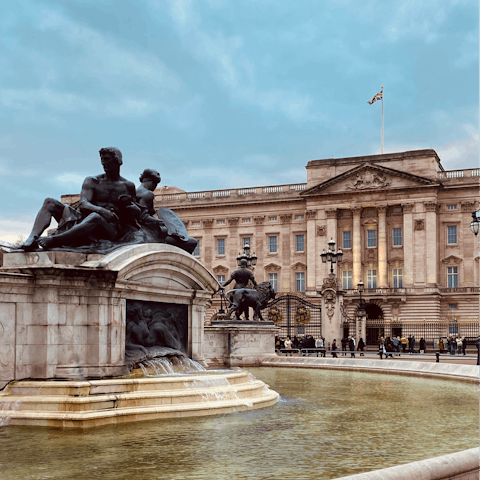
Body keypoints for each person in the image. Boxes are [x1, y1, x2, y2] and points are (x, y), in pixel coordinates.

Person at [22, 147, 139, 250]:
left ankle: (55, 240)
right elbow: (83, 204)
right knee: (49, 202)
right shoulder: (93, 181)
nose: (104, 163)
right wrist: (103, 211)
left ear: (118, 161)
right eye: (102, 159)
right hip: (85, 221)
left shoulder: (127, 186)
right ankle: (32, 238)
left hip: (110, 229)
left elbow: (135, 214)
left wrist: (131, 207)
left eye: (107, 159)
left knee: (95, 217)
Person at [136, 168, 198, 254]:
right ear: (152, 181)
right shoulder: (148, 194)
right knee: (192, 242)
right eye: (156, 184)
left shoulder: (136, 192)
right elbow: (143, 217)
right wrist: (162, 222)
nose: (155, 187)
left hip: (140, 232)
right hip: (150, 234)